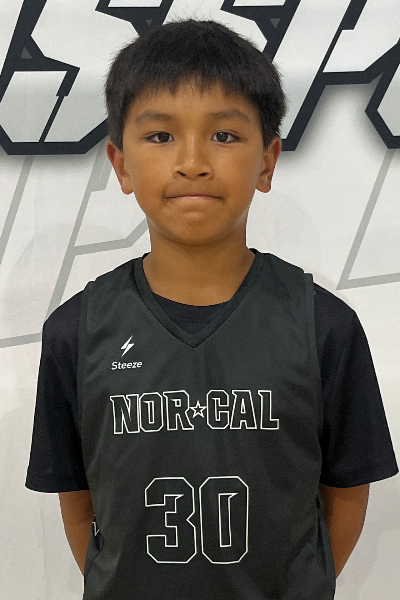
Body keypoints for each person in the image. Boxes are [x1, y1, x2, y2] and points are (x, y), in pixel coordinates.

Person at [25, 18, 398, 600]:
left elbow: (347, 492)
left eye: (224, 135)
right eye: (160, 136)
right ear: (120, 164)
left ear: (267, 161)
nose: (193, 161)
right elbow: (77, 501)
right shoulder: (76, 331)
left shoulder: (323, 325)